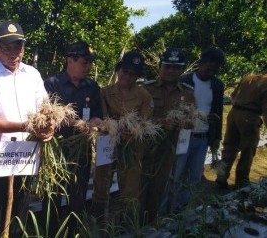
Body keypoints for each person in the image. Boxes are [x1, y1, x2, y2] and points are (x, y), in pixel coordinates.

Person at [0, 20, 54, 235]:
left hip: (26, 157)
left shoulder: (33, 75)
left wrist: (49, 125)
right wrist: (26, 126)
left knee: (20, 214)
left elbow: (44, 108)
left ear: (24, 48)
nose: (13, 53)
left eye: (18, 47)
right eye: (7, 48)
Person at [42, 41, 102, 234]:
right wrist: (62, 119)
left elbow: (97, 114)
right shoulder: (52, 83)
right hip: (56, 149)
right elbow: (44, 114)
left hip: (81, 150)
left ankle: (73, 231)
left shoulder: (92, 87)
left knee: (78, 195)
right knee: (51, 195)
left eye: (90, 63)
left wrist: (95, 122)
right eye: (84, 62)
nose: (88, 67)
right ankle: (50, 232)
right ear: (70, 60)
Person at [92, 51, 152, 224]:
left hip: (131, 146)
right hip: (108, 144)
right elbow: (102, 118)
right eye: (125, 71)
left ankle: (126, 223)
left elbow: (145, 121)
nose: (127, 76)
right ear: (118, 71)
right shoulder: (104, 92)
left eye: (133, 74)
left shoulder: (143, 96)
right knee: (101, 184)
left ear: (137, 76)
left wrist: (134, 129)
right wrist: (114, 128)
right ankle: (99, 221)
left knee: (130, 187)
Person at [141, 48, 195, 223]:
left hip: (169, 150)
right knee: (140, 187)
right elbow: (136, 117)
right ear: (160, 67)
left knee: (160, 188)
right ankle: (135, 224)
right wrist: (160, 122)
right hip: (145, 148)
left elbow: (191, 121)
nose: (172, 71)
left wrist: (183, 123)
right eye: (168, 66)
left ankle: (152, 222)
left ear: (182, 70)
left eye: (176, 67)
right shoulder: (145, 88)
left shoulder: (188, 92)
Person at [173, 47, 225, 209]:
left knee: (195, 176)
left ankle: (184, 207)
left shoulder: (217, 85)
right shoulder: (184, 81)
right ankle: (170, 209)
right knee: (176, 174)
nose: (211, 73)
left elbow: (218, 111)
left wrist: (216, 138)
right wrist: (199, 115)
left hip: (202, 138)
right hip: (183, 135)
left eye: (214, 70)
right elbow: (176, 109)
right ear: (201, 63)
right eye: (209, 68)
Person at [216, 70, 267, 188]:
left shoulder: (249, 78)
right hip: (249, 117)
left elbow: (233, 96)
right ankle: (241, 181)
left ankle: (221, 177)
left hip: (233, 114)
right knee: (247, 150)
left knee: (229, 147)